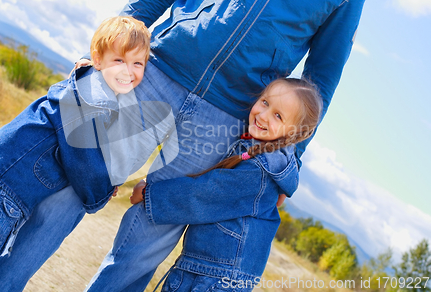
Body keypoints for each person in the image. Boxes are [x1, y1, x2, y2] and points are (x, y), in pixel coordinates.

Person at [0, 0, 367, 290]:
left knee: (150, 234)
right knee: (70, 187)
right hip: (157, 72)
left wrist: (287, 158)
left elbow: (320, 81)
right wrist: (109, 52)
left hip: (228, 116)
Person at [0, 16, 151, 292]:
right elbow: (82, 159)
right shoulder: (89, 96)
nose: (128, 71)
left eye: (137, 63)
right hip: (4, 191)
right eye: (119, 60)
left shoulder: (87, 89)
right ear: (97, 59)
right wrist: (103, 190)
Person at [129, 77, 322, 291]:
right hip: (210, 270)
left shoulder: (260, 171)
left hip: (216, 278)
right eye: (265, 102)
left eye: (278, 116)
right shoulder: (255, 148)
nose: (264, 115)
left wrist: (150, 195)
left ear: (294, 133)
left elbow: (205, 194)